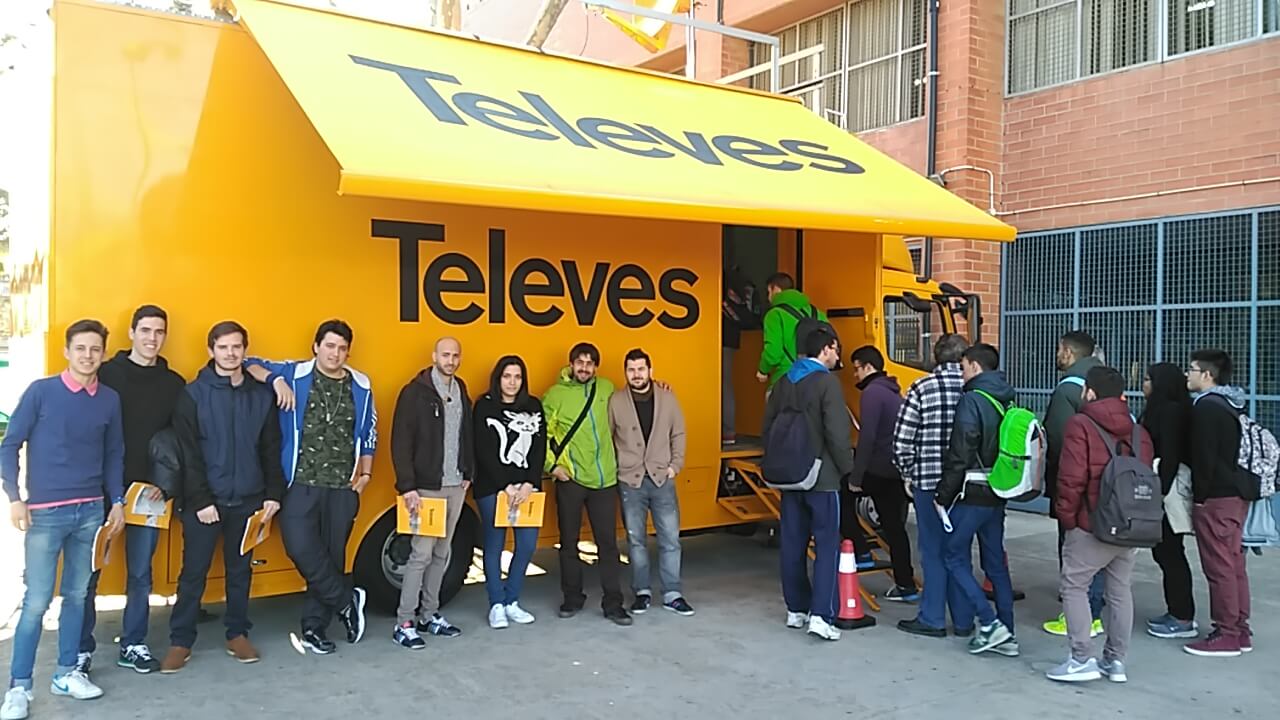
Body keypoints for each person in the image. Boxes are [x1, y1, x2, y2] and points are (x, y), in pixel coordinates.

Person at [1, 320, 125, 718]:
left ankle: (67, 673)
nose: (88, 356)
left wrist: (117, 502)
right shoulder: (41, 392)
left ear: (103, 354)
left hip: (90, 512)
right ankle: (19, 688)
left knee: (77, 596)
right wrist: (14, 498)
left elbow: (114, 454)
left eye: (95, 349)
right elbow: (9, 444)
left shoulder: (109, 400)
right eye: (81, 348)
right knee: (36, 601)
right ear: (67, 352)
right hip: (45, 514)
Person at [243, 319, 376, 655]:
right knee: (300, 547)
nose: (335, 354)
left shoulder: (361, 384)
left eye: (342, 348)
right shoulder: (294, 373)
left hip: (342, 486)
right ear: (316, 347)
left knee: (331, 555)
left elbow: (368, 431)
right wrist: (275, 381)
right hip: (300, 483)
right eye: (329, 346)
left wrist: (366, 474)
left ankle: (315, 628)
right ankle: (346, 600)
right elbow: (248, 363)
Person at [160, 321, 284, 673]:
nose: (230, 353)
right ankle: (180, 641)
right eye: (223, 347)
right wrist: (201, 501)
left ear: (245, 350)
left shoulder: (261, 397)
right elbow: (187, 453)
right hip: (203, 504)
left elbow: (270, 448)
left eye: (236, 347)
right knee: (193, 574)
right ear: (211, 350)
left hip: (248, 500)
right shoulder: (193, 394)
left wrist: (273, 494)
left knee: (240, 572)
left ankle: (237, 635)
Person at [79, 305, 185, 676]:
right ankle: (80, 649)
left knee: (141, 574)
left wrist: (166, 484)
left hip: (148, 493)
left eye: (159, 331)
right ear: (132, 332)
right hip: (100, 490)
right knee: (88, 573)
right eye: (145, 330)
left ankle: (133, 644)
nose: (152, 338)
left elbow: (180, 440)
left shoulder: (174, 384)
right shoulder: (107, 374)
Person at [1046, 366, 1153, 684]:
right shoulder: (1139, 431)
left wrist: (1067, 518)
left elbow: (1071, 478)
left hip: (1091, 523)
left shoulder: (1080, 424)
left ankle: (1081, 659)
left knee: (1074, 586)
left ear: (1090, 392)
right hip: (1130, 523)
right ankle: (1115, 661)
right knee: (1120, 590)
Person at [763, 324, 853, 641]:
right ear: (826, 349)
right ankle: (821, 615)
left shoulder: (783, 381)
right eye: (836, 350)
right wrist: (848, 470)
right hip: (822, 477)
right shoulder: (827, 383)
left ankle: (796, 609)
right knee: (826, 545)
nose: (837, 357)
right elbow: (837, 433)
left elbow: (767, 426)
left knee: (792, 543)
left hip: (790, 476)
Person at [934, 343, 1018, 657]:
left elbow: (961, 452)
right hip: (998, 490)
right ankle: (1007, 632)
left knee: (953, 556)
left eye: (964, 366)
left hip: (972, 493)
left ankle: (989, 621)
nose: (962, 372)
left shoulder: (972, 400)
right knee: (995, 564)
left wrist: (943, 494)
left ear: (975, 366)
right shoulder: (1007, 398)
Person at [390, 337, 473, 649]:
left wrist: (469, 472)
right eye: (445, 355)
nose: (451, 360)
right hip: (426, 488)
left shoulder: (460, 389)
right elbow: (401, 441)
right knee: (420, 554)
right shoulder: (414, 393)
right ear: (434, 356)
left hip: (455, 485)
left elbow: (467, 434)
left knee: (442, 553)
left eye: (455, 355)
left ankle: (429, 614)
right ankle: (404, 622)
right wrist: (407, 486)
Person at [543, 342, 631, 626]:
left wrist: (660, 387)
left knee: (608, 545)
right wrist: (553, 467)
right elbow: (541, 434)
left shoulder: (606, 388)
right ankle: (572, 598)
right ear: (571, 364)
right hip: (571, 480)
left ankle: (613, 603)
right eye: (579, 362)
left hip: (604, 479)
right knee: (569, 543)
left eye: (589, 363)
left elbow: (632, 404)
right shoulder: (555, 395)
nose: (584, 368)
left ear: (595, 367)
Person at [895, 334, 971, 638]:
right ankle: (963, 620)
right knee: (960, 552)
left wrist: (908, 473)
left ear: (935, 357)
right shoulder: (972, 389)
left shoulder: (921, 388)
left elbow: (902, 441)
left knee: (933, 551)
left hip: (928, 482)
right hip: (966, 485)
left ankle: (932, 617)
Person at [609, 349, 692, 617]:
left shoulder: (667, 398)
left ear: (650, 371)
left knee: (670, 539)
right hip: (630, 480)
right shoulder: (616, 401)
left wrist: (675, 466)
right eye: (631, 370)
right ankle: (642, 592)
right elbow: (609, 437)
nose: (636, 374)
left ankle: (672, 594)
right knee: (636, 541)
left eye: (641, 369)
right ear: (626, 373)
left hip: (661, 478)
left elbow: (678, 432)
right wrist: (618, 469)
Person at [1183, 349, 1254, 657]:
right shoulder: (1230, 404)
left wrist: (1199, 498)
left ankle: (1226, 633)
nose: (1187, 374)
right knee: (1234, 564)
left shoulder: (1206, 408)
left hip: (1216, 497)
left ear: (1207, 375)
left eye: (1191, 369)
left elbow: (1204, 458)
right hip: (1235, 494)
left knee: (1219, 566)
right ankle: (1240, 629)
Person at [472, 355, 546, 630]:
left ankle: (512, 600)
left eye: (517, 377)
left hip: (526, 489)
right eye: (507, 376)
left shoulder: (533, 405)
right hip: (493, 488)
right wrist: (506, 485)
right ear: (498, 378)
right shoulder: (484, 405)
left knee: (527, 544)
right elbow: (483, 450)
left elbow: (539, 449)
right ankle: (496, 604)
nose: (512, 382)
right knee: (494, 545)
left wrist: (529, 483)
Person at [1041, 330, 1106, 638]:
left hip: (1075, 483)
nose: (1057, 355)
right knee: (1100, 547)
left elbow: (1059, 440)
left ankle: (1080, 615)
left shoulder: (1067, 389)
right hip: (1106, 482)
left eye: (1059, 349)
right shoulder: (1106, 383)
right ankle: (1096, 609)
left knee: (1073, 547)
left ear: (1068, 351)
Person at [846, 346, 916, 602]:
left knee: (840, 495)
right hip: (894, 469)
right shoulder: (892, 391)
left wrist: (856, 477)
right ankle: (906, 585)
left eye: (856, 369)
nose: (855, 375)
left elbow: (867, 438)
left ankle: (861, 551)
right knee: (895, 529)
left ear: (868, 367)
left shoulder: (872, 393)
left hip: (877, 469)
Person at [1141, 362, 1198, 640]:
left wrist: (1159, 493)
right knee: (1166, 553)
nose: (1144, 384)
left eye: (1148, 379)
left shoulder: (1171, 412)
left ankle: (1182, 616)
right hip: (1162, 489)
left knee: (1171, 553)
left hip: (1167, 491)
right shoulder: (1166, 408)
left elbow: (1170, 456)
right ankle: (1177, 612)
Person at [756, 272, 827, 391]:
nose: (768, 298)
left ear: (776, 289)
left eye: (769, 292)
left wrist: (763, 370)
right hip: (817, 380)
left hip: (786, 379)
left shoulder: (775, 314)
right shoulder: (817, 313)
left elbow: (773, 352)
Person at [721, 263, 759, 444]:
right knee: (725, 385)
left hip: (718, 339)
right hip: (729, 339)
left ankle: (725, 431)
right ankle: (727, 432)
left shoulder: (720, 280)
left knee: (722, 385)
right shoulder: (735, 281)